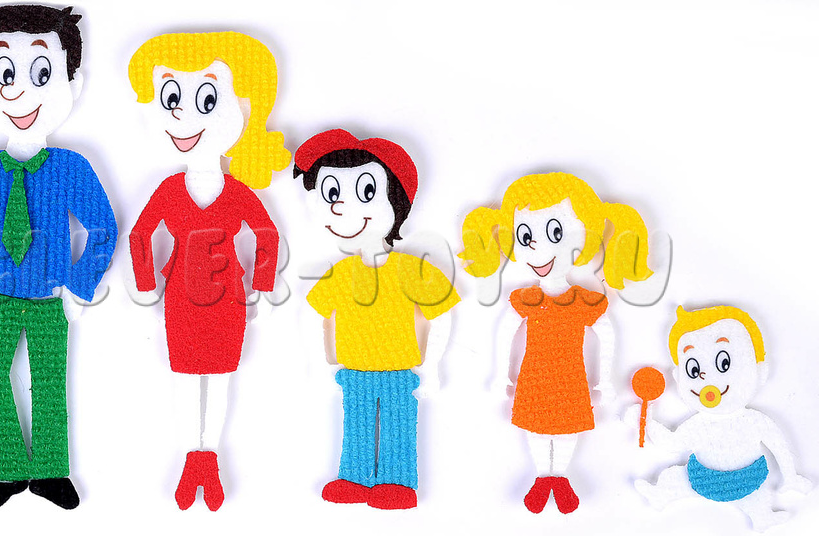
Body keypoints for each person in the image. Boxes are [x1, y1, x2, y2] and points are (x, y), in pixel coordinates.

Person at [0, 4, 116, 512]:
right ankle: (5, 467)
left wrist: (80, 284)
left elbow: (103, 227)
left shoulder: (71, 167)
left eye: (41, 74)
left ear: (72, 84)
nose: (19, 91)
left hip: (51, 296)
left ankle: (51, 470)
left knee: (50, 380)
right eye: (4, 74)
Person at [127, 31, 287, 511]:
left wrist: (261, 287)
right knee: (183, 377)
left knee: (220, 378)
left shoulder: (237, 192)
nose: (182, 116)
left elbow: (267, 235)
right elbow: (139, 235)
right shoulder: (170, 189)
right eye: (171, 99)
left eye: (206, 100)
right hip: (179, 300)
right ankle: (189, 460)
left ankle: (208, 458)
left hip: (229, 301)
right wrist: (147, 285)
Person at [459, 172, 652, 513]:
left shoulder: (583, 301)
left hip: (571, 377)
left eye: (555, 233)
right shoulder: (528, 300)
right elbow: (506, 332)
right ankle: (542, 476)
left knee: (567, 426)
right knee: (535, 425)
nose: (537, 247)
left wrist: (605, 380)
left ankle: (558, 476)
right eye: (526, 236)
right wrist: (501, 374)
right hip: (533, 376)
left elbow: (606, 333)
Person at [296, 129, 458, 509]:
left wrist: (431, 365)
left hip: (401, 370)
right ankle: (354, 477)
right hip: (354, 371)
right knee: (356, 424)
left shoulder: (412, 270)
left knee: (399, 425)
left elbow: (442, 314)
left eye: (366, 191)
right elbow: (312, 315)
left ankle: (398, 482)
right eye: (332, 194)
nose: (342, 207)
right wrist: (321, 364)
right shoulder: (342, 274)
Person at [634, 305, 812, 530]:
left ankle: (762, 518)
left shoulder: (750, 421)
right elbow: (672, 443)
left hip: (744, 481)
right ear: (678, 377)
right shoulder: (702, 423)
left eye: (724, 363)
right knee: (674, 478)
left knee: (755, 498)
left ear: (761, 370)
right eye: (694, 369)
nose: (705, 376)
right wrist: (646, 421)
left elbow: (779, 447)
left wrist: (791, 476)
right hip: (708, 480)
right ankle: (660, 495)